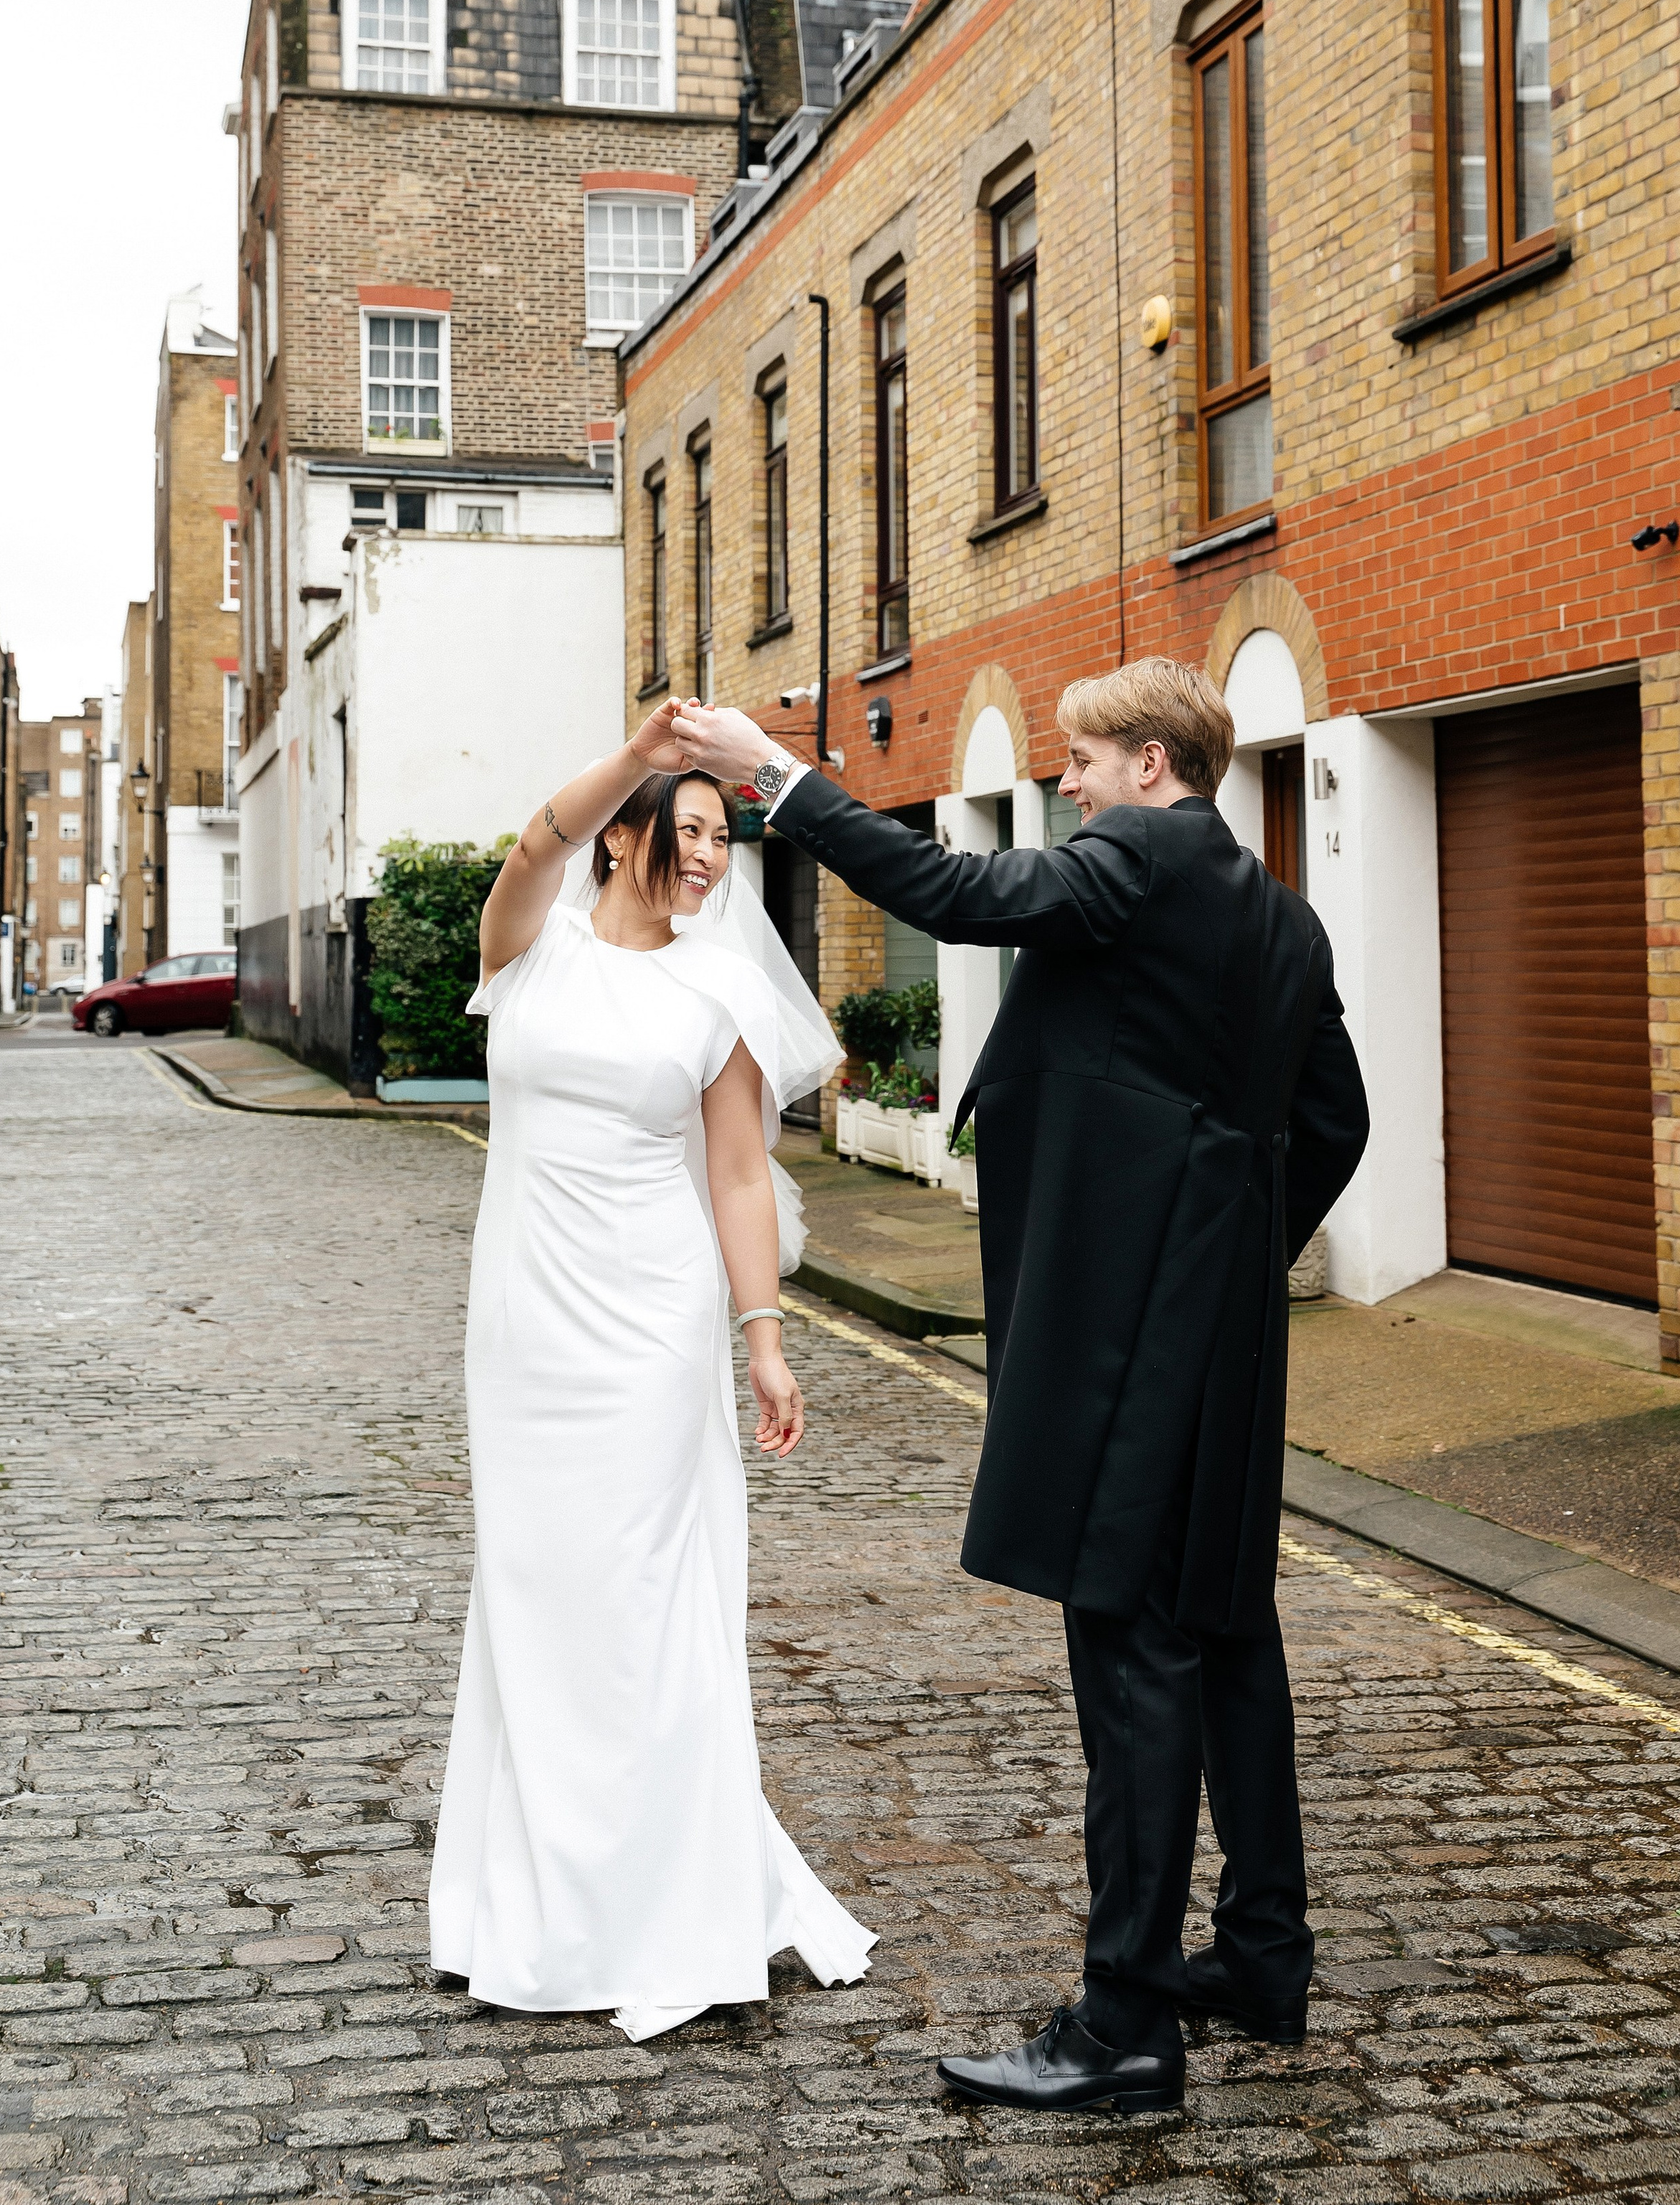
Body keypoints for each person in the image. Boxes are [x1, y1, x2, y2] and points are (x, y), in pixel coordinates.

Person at [673, 662, 1369, 2116]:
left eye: (1084, 760)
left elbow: (950, 892)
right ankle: (1257, 1955)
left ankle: (1121, 2021)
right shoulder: (1281, 917)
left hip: (1129, 1322)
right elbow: (1335, 1123)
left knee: (1127, 1646)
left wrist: (772, 776)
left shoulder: (1135, 861)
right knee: (1225, 1627)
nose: (1065, 785)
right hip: (1224, 1330)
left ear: (1157, 768)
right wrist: (1230, 1246)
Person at [426, 701, 873, 2043]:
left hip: (647, 1324)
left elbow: (739, 1174)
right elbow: (531, 841)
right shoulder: (530, 951)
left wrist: (766, 1336)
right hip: (523, 1327)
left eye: (722, 835)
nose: (707, 855)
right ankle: (533, 1899)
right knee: (534, 1591)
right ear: (623, 837)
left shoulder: (716, 991)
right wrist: (646, 754)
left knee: (640, 1596)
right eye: (686, 829)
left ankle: (655, 1903)